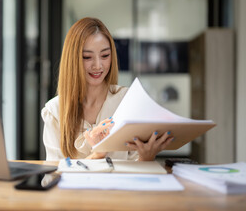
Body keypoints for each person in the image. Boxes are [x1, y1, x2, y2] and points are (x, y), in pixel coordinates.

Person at [41, 17, 173, 161]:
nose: (98, 65)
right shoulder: (54, 111)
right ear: (73, 60)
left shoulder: (127, 100)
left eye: (105, 55)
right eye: (87, 57)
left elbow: (137, 174)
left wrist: (146, 157)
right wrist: (97, 155)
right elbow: (54, 176)